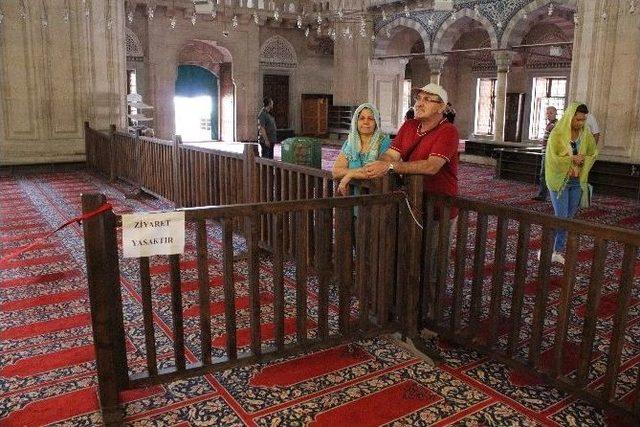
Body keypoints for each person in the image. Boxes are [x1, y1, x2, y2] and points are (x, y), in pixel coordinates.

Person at [545, 102, 598, 264]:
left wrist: (585, 159)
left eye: (583, 120)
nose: (581, 123)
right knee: (561, 217)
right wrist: (571, 159)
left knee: (569, 217)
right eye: (578, 120)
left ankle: (557, 249)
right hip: (559, 181)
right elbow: (552, 159)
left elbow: (593, 152)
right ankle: (553, 250)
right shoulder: (558, 134)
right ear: (570, 117)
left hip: (576, 182)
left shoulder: (586, 134)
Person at [332, 103, 392, 195]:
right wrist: (355, 173)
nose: (366, 122)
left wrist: (350, 175)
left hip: (377, 196)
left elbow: (376, 171)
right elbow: (336, 171)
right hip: (353, 196)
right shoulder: (350, 143)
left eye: (370, 119)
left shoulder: (384, 142)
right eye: (361, 118)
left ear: (376, 122)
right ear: (356, 121)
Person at [532, 106, 558, 201]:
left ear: (555, 113)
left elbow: (556, 141)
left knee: (544, 175)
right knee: (544, 175)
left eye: (551, 113)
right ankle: (544, 195)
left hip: (549, 154)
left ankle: (543, 195)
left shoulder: (555, 125)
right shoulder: (550, 124)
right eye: (547, 113)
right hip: (545, 152)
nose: (548, 115)